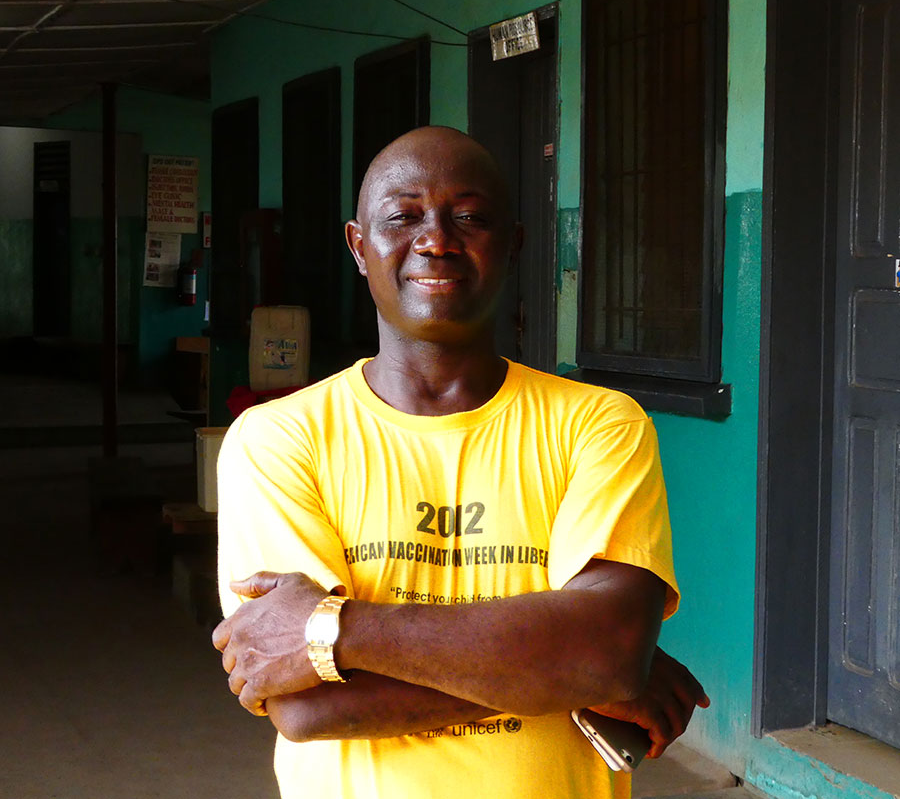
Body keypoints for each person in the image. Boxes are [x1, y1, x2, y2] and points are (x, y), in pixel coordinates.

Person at [212, 126, 708, 799]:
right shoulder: (278, 441)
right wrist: (570, 665)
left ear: (513, 244)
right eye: (403, 216)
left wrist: (334, 630)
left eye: (470, 218)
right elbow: (306, 707)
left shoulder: (597, 424)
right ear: (359, 246)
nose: (437, 240)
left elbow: (608, 655)